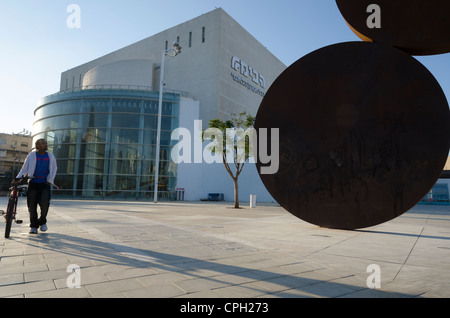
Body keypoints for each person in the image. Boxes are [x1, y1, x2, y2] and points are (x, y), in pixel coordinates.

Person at [16, 139, 58, 234]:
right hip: (33, 183)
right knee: (32, 205)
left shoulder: (50, 156)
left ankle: (42, 222)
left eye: (46, 143)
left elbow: (54, 169)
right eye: (43, 143)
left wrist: (50, 180)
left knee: (45, 204)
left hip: (45, 184)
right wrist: (17, 178)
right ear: (38, 146)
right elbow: (24, 168)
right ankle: (34, 226)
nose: (46, 144)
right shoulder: (31, 155)